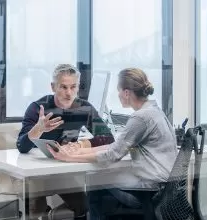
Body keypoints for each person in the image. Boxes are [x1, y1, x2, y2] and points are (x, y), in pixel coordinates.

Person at [47, 67, 177, 219]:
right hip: (163, 186)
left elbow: (111, 155)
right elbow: (117, 147)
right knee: (102, 180)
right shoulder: (154, 111)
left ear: (127, 92)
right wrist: (78, 151)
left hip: (150, 190)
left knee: (95, 180)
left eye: (119, 90)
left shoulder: (140, 118)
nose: (118, 94)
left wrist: (68, 157)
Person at [16, 64, 114, 219]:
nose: (69, 93)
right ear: (53, 87)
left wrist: (80, 144)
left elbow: (107, 138)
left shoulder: (84, 108)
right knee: (35, 209)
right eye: (63, 87)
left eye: (73, 87)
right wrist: (37, 129)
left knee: (83, 205)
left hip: (62, 171)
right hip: (35, 173)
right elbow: (22, 146)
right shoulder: (37, 108)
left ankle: (53, 215)